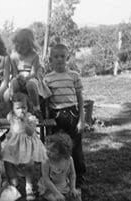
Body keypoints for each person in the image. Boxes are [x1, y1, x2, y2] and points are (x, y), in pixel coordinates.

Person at [43, 44, 86, 188]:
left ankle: (78, 176)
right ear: (50, 60)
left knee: (75, 146)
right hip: (56, 116)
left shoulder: (74, 75)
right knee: (58, 147)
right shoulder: (47, 79)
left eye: (63, 56)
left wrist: (81, 120)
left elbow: (80, 99)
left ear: (67, 58)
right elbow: (46, 101)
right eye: (56, 57)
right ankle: (59, 175)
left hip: (73, 114)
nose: (60, 59)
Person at [0, 92, 47, 200]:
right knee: (7, 160)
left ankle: (29, 186)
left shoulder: (30, 117)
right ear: (12, 109)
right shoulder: (11, 116)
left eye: (24, 107)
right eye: (18, 108)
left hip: (27, 145)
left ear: (27, 106)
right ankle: (14, 183)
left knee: (29, 164)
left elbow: (30, 132)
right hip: (14, 145)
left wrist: (25, 122)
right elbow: (8, 121)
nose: (22, 110)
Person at [9, 28, 51, 119]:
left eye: (24, 46)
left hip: (31, 77)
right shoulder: (13, 56)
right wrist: (19, 77)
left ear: (30, 45)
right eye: (19, 45)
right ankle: (15, 107)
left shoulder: (34, 55)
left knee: (31, 85)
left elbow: (34, 72)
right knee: (13, 83)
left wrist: (26, 78)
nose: (21, 48)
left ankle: (36, 109)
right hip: (18, 77)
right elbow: (15, 72)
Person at [38, 133, 82, 201]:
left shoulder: (69, 159)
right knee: (56, 199)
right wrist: (57, 193)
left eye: (52, 151)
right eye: (48, 149)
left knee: (77, 197)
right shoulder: (46, 161)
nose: (48, 152)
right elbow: (46, 179)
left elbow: (72, 174)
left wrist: (73, 188)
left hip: (64, 186)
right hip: (49, 188)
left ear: (63, 153)